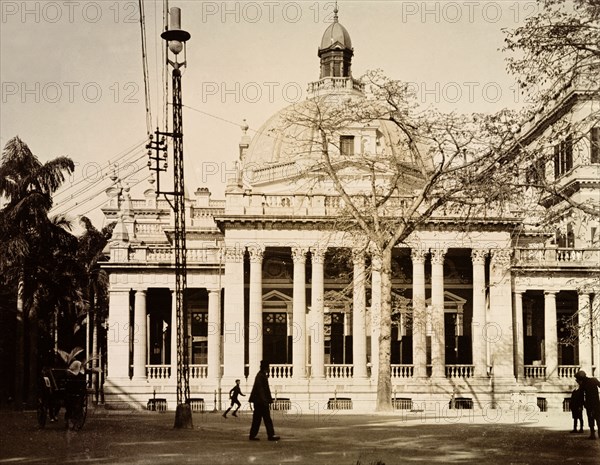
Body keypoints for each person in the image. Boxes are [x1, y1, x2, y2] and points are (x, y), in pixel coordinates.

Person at [248, 360, 280, 441]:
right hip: (261, 402)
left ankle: (253, 435)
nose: (269, 368)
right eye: (268, 367)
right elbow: (261, 390)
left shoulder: (261, 375)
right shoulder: (260, 376)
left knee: (258, 419)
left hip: (259, 401)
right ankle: (270, 435)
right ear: (265, 367)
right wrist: (265, 401)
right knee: (265, 419)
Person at [575, 370, 600, 440]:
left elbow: (581, 396)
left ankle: (593, 434)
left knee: (591, 419)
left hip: (589, 404)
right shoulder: (594, 380)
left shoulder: (583, 384)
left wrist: (580, 405)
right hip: (597, 403)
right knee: (598, 418)